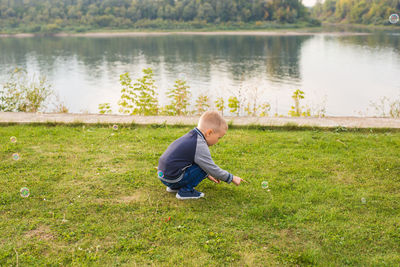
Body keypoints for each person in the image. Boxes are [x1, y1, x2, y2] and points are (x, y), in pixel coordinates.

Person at [157, 110, 246, 200]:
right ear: (209, 133)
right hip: (173, 178)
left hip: (163, 176)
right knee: (204, 166)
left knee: (201, 165)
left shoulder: (191, 136)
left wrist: (207, 174)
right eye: (218, 138)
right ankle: (185, 192)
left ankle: (174, 187)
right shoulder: (199, 144)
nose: (218, 141)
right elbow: (210, 167)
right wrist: (231, 178)